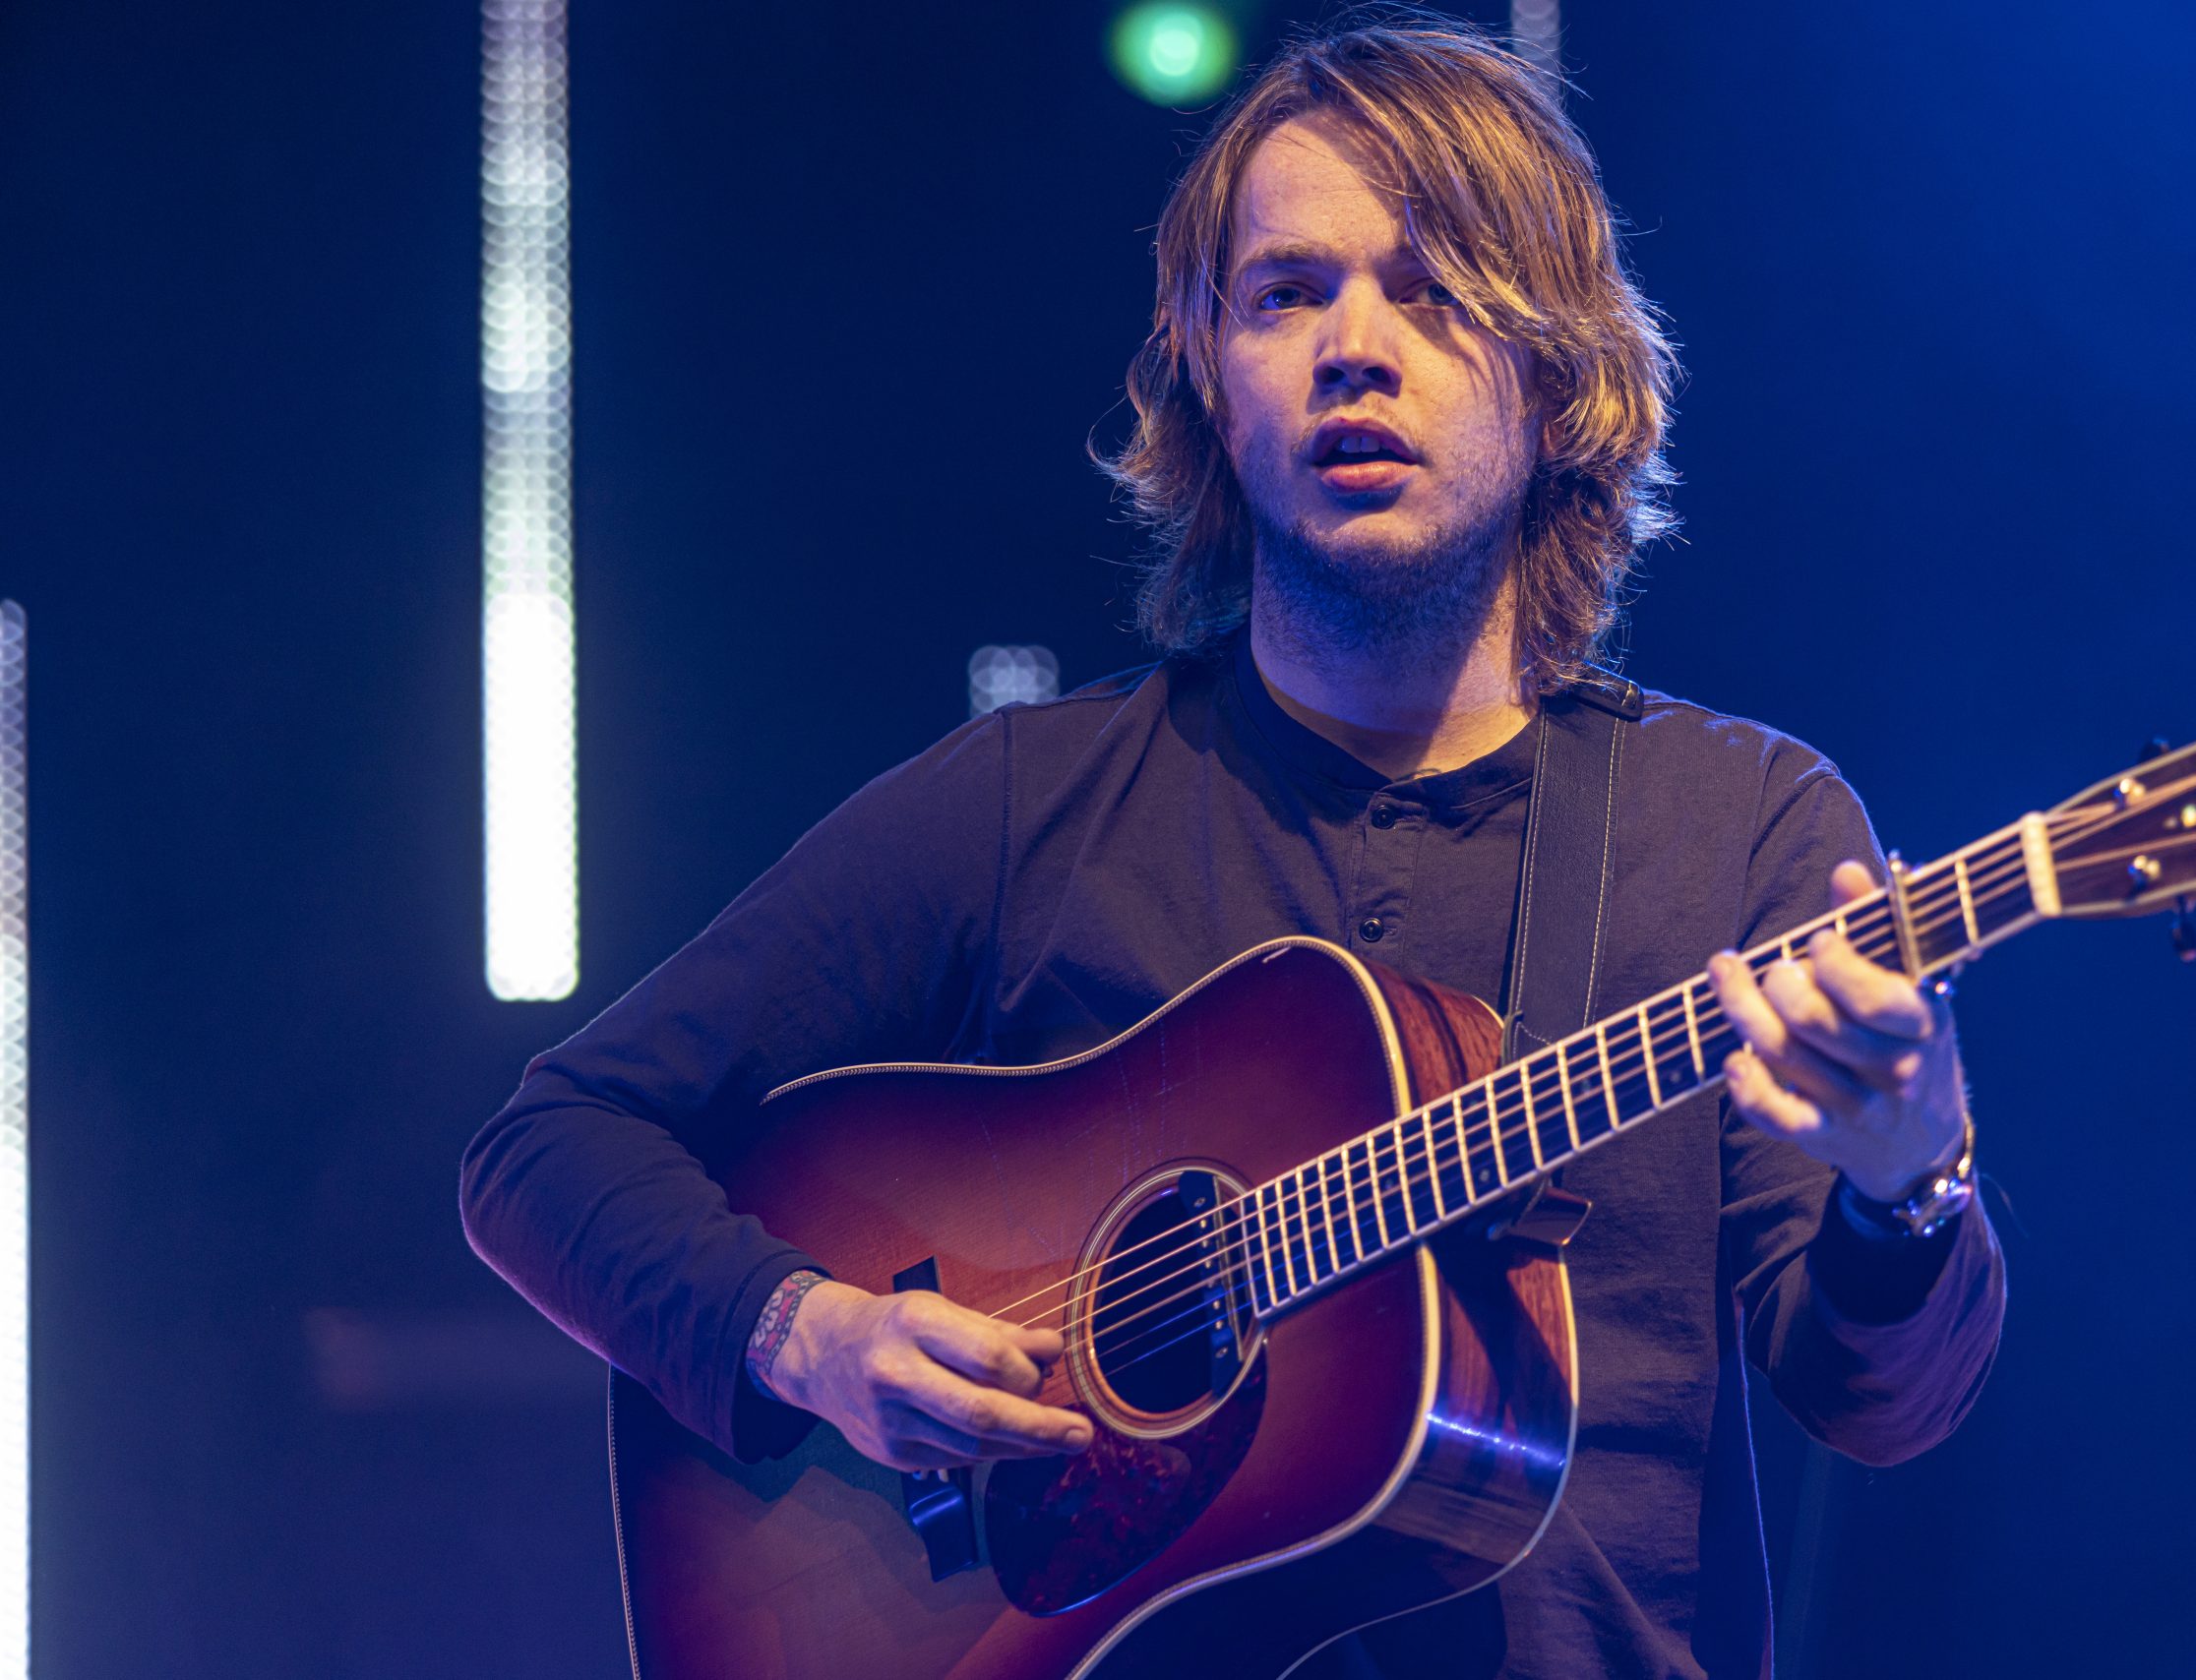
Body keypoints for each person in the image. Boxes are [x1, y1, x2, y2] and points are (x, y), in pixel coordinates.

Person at [461, 19, 2004, 1679]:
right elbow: (547, 1149)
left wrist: (1910, 1178)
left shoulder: (1745, 831)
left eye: (1433, 288)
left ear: (1558, 371)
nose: (1356, 348)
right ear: (1206, 364)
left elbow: (1880, 1406)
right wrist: (806, 1334)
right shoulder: (1026, 806)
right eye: (1288, 293)